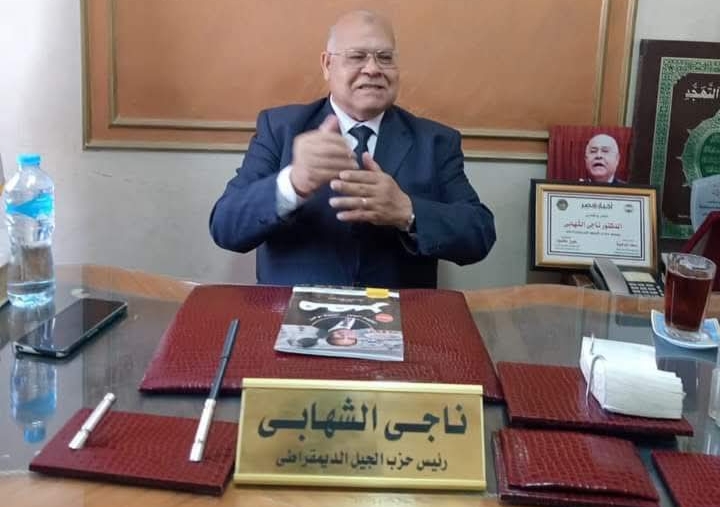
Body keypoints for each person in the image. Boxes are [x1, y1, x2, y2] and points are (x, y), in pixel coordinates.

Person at [209, 10, 496, 288]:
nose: (373, 69)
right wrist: (292, 184)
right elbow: (225, 228)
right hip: (294, 312)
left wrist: (406, 211)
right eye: (357, 56)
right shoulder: (280, 128)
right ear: (327, 64)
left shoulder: (435, 141)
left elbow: (479, 234)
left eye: (385, 58)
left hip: (399, 315)